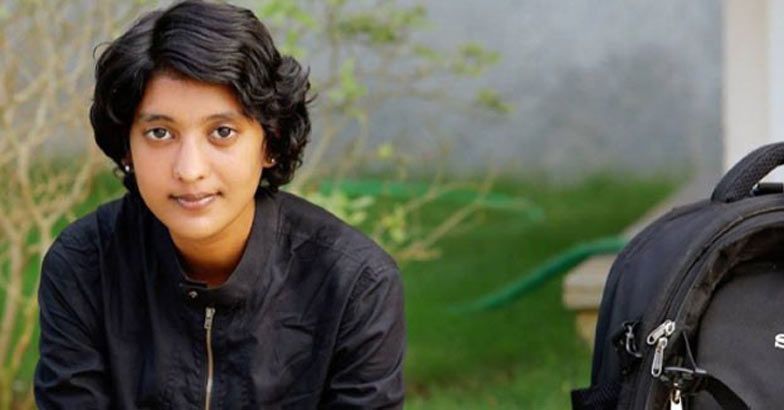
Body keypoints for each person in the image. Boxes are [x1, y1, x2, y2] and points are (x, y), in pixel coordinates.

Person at [34, 1, 405, 408]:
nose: (190, 170)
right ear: (127, 148)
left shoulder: (355, 284)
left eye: (222, 132)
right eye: (160, 133)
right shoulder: (85, 266)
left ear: (270, 141)